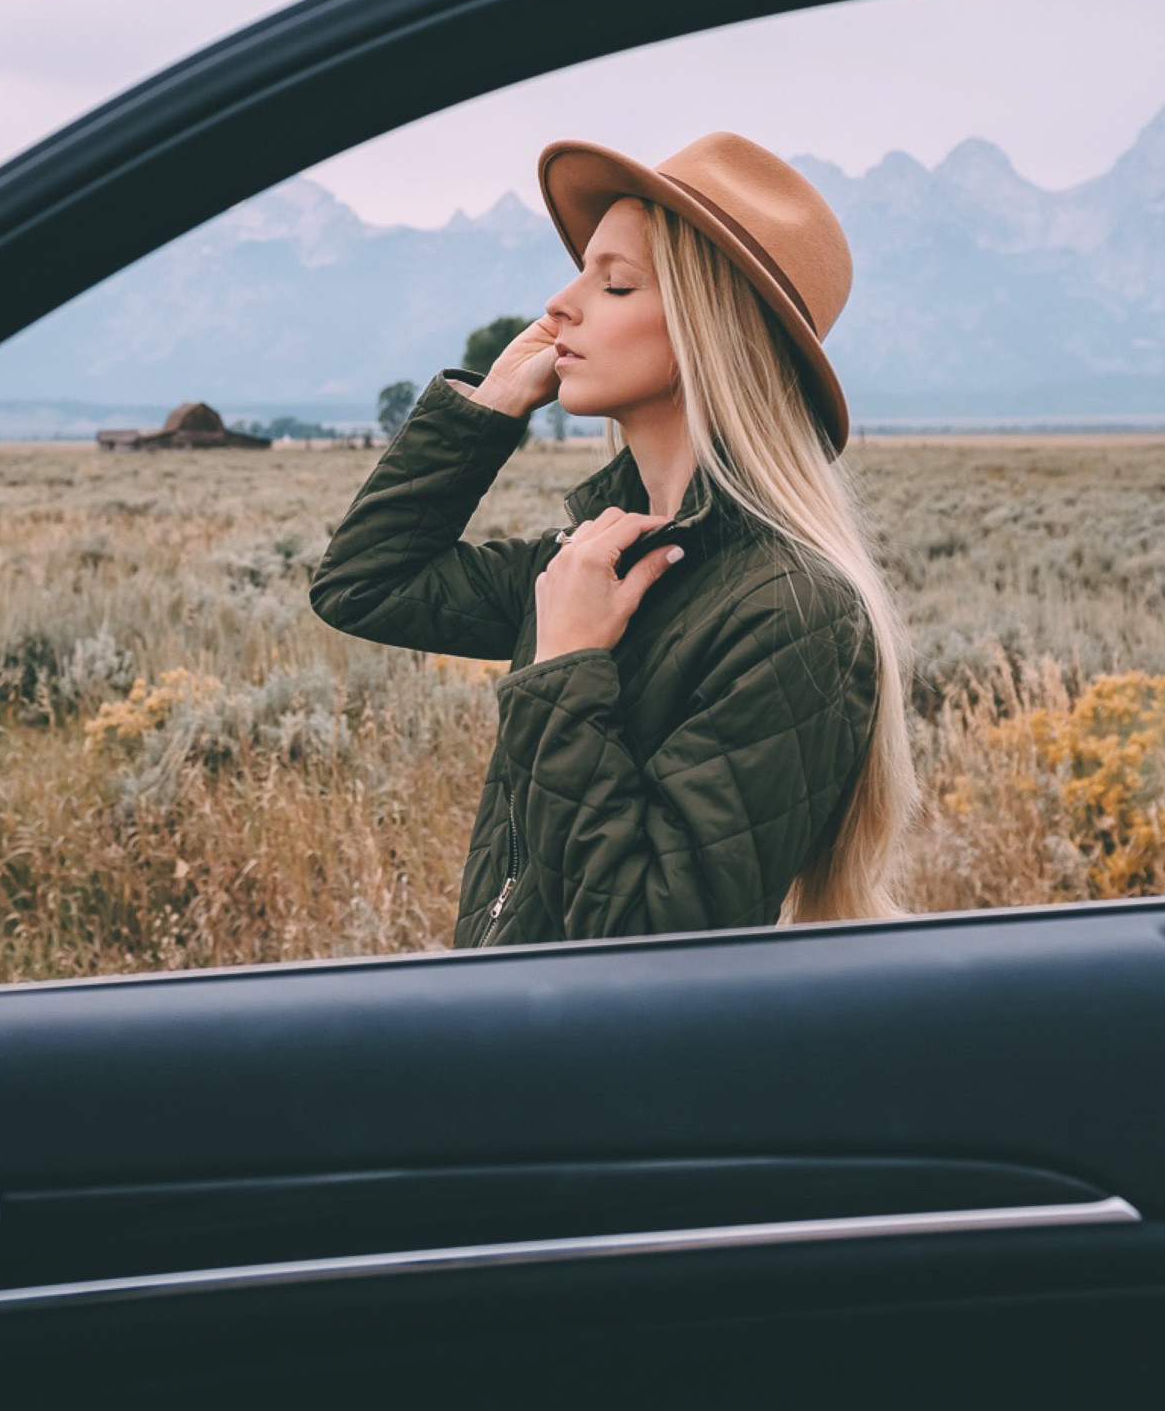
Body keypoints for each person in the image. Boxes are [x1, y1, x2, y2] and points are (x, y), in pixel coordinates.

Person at [309, 131, 915, 946]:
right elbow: (364, 584)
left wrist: (564, 667)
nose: (558, 304)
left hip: (595, 1062)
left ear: (712, 332)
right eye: (581, 272)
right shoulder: (595, 558)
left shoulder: (793, 613)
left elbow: (654, 937)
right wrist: (484, 413)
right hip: (521, 1033)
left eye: (616, 284)